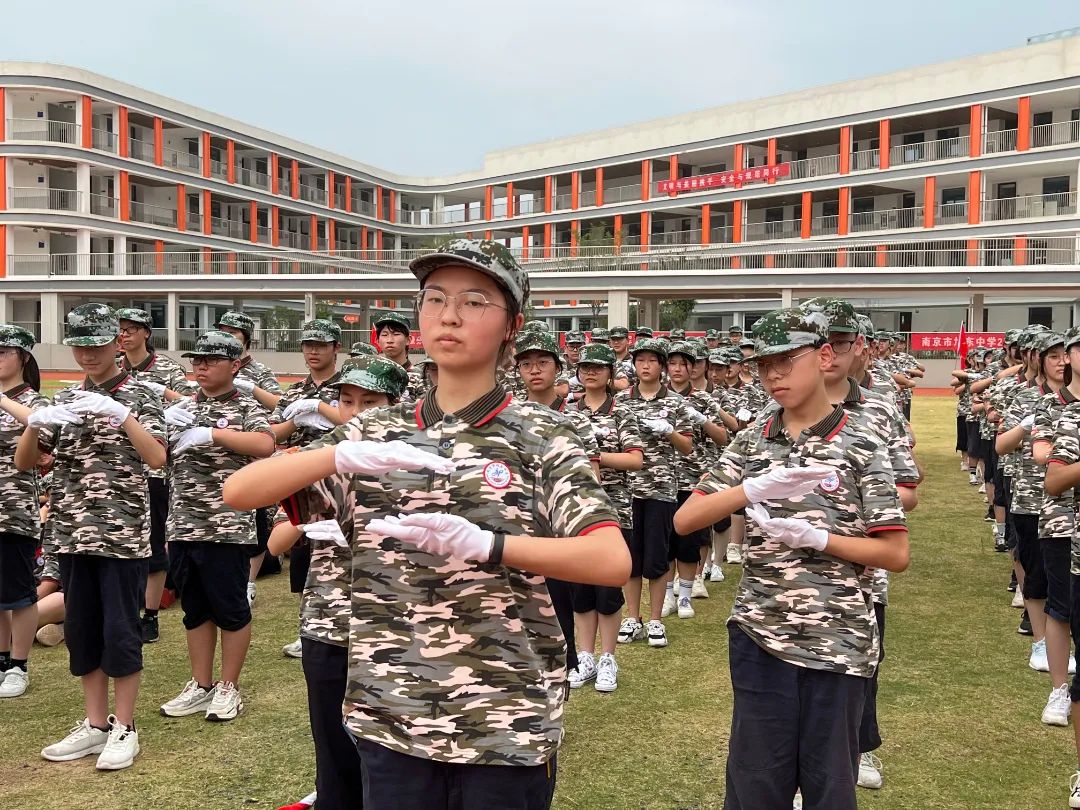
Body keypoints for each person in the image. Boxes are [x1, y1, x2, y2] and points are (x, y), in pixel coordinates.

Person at [224, 238, 628, 810]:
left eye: (474, 301)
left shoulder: (542, 436)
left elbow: (610, 561)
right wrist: (336, 454)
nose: (450, 315)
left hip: (504, 717)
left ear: (512, 326)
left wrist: (492, 545)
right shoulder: (373, 431)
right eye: (435, 298)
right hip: (393, 714)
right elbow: (240, 492)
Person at [674, 307, 909, 810]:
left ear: (823, 357)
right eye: (763, 365)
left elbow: (894, 552)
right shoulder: (752, 440)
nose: (773, 376)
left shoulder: (861, 443)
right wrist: (750, 489)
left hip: (838, 639)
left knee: (830, 788)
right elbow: (685, 519)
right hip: (762, 632)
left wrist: (820, 539)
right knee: (755, 785)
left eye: (785, 361)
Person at [18, 303, 166, 771]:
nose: (87, 355)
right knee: (82, 631)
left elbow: (158, 458)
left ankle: (125, 726)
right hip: (71, 533)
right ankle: (96, 723)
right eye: (79, 346)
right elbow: (26, 462)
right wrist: (35, 424)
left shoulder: (140, 394)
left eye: (96, 345)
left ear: (116, 344)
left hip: (121, 535)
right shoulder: (64, 399)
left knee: (121, 631)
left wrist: (122, 415)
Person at [157, 331, 274, 722]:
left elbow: (265, 445)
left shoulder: (245, 406)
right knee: (195, 610)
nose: (201, 367)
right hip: (183, 523)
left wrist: (213, 434)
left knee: (231, 609)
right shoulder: (183, 407)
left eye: (211, 360)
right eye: (197, 360)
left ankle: (229, 686)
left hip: (226, 527)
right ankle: (201, 683)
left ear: (235, 365)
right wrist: (163, 425)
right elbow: (155, 455)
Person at [514, 329, 603, 683]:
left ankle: (564, 677)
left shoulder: (576, 419)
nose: (535, 370)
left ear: (558, 367)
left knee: (561, 609)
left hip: (560, 529)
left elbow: (592, 477)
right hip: (518, 528)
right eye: (526, 364)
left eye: (543, 362)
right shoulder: (508, 416)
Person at [115, 307, 196, 643]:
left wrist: (161, 394)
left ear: (146, 333)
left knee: (154, 538)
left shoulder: (167, 368)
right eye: (120, 329)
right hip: (118, 465)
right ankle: (125, 609)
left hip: (154, 464)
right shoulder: (113, 366)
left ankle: (150, 614)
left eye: (131, 329)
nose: (124, 335)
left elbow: (192, 403)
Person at [566, 343, 642, 692]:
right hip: (576, 509)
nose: (591, 372)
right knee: (581, 589)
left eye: (598, 367)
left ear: (611, 373)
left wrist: (595, 457)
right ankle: (585, 656)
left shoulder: (622, 411)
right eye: (585, 367)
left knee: (608, 589)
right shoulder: (568, 411)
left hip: (613, 508)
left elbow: (635, 459)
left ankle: (608, 657)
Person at [269, 318, 343, 658]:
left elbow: (360, 421)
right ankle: (307, 627)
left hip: (339, 478)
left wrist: (321, 408)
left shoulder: (347, 386)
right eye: (308, 345)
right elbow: (273, 433)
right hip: (300, 480)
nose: (313, 351)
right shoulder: (295, 390)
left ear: (336, 348)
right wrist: (295, 419)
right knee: (301, 555)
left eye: (321, 345)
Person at [614, 338, 693, 648]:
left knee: (657, 557)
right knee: (631, 558)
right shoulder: (621, 400)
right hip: (627, 489)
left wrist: (668, 431)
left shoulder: (675, 402)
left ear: (661, 366)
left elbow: (687, 447)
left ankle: (656, 619)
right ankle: (633, 618)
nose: (645, 366)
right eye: (640, 360)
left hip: (661, 488)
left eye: (651, 360)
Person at [214, 310, 283, 605]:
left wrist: (252, 389)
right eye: (223, 330)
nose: (227, 336)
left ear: (246, 339)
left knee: (254, 517)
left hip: (253, 449)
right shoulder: (213, 364)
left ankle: (249, 581)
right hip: (217, 455)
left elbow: (280, 405)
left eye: (233, 332)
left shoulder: (259, 372)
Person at [0, 325, 49, 698]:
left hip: (13, 510)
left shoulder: (35, 402)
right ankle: (2, 660)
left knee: (19, 593)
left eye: (4, 352)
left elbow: (43, 434)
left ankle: (19, 665)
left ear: (24, 357)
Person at [664, 342, 728, 611]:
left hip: (693, 476)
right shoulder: (659, 397)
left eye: (684, 364)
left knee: (690, 539)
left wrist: (702, 420)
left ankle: (687, 593)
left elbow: (723, 437)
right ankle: (667, 594)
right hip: (663, 478)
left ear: (692, 368)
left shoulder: (703, 399)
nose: (678, 369)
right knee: (666, 541)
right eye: (673, 364)